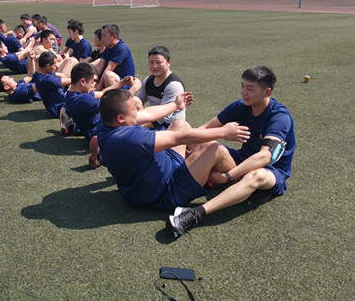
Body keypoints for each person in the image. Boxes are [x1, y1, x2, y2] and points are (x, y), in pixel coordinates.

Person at [168, 66, 296, 237]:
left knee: (257, 175)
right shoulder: (241, 106)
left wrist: (227, 176)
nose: (243, 92)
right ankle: (165, 175)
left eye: (250, 88)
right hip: (243, 160)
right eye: (242, 86)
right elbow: (205, 129)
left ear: (267, 92)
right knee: (201, 140)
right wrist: (186, 143)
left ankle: (194, 214)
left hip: (271, 171)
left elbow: (265, 156)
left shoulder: (279, 116)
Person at [97, 88, 250, 213]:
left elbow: (149, 114)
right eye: (134, 109)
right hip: (165, 191)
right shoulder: (130, 139)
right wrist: (223, 132)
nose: (137, 111)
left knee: (180, 124)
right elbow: (179, 138)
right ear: (121, 118)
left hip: (157, 171)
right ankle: (238, 182)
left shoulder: (108, 123)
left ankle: (204, 171)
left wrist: (175, 105)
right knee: (214, 148)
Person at [64, 62, 141, 168]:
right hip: (102, 130)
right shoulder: (82, 99)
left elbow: (102, 93)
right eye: (92, 82)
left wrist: (121, 83)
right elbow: (117, 105)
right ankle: (103, 151)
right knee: (135, 104)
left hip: (94, 130)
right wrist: (135, 88)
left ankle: (102, 151)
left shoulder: (75, 94)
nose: (94, 85)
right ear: (82, 82)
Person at [136, 46, 186, 129]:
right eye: (151, 62)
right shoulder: (148, 80)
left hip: (168, 127)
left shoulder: (173, 85)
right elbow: (138, 102)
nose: (155, 66)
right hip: (152, 121)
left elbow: (164, 117)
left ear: (168, 62)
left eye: (159, 62)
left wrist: (139, 127)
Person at [31, 51, 74, 118]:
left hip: (60, 102)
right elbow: (73, 80)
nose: (56, 67)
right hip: (62, 108)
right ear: (47, 66)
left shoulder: (39, 74)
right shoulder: (47, 80)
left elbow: (64, 75)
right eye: (54, 65)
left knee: (71, 60)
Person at [95, 23, 135, 90]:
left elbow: (108, 69)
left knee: (108, 75)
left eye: (104, 35)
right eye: (102, 35)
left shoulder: (121, 48)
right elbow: (100, 65)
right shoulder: (108, 48)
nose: (102, 39)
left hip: (124, 85)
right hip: (113, 82)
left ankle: (113, 96)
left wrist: (98, 88)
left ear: (114, 37)